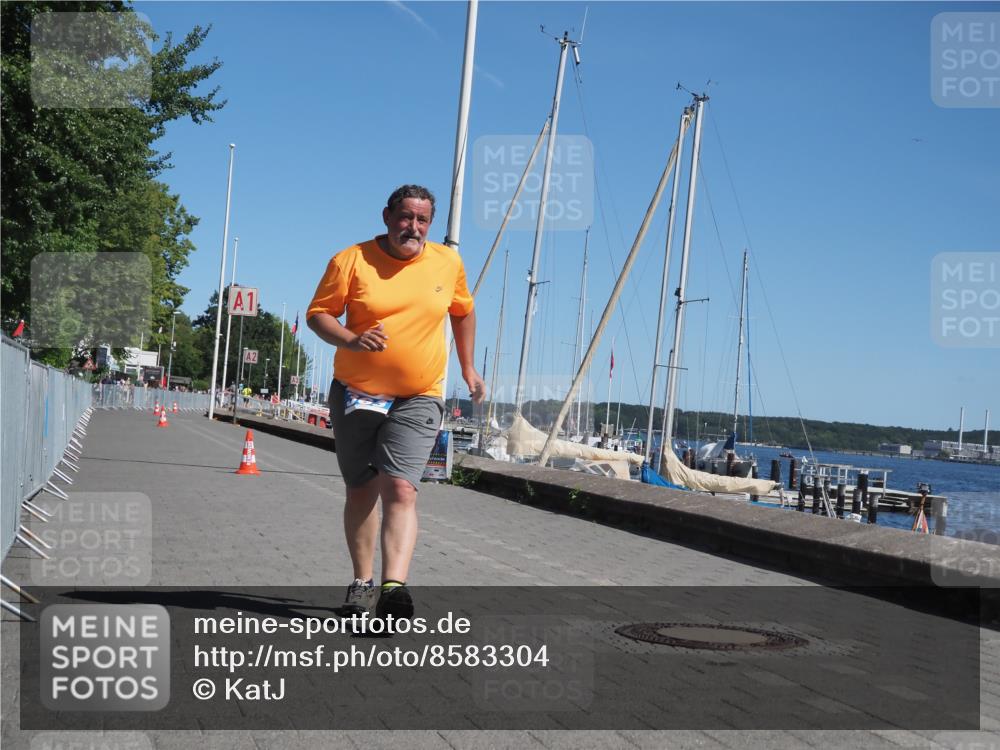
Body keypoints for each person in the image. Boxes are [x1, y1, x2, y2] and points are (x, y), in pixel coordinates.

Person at [307, 185, 485, 620]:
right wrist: (351, 338)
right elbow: (318, 315)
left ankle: (393, 589)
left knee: (401, 486)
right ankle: (362, 583)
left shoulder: (447, 261)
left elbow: (462, 311)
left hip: (420, 394)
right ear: (387, 217)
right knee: (361, 489)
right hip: (356, 393)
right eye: (406, 217)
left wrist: (468, 368)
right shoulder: (350, 260)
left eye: (423, 220)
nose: (414, 227)